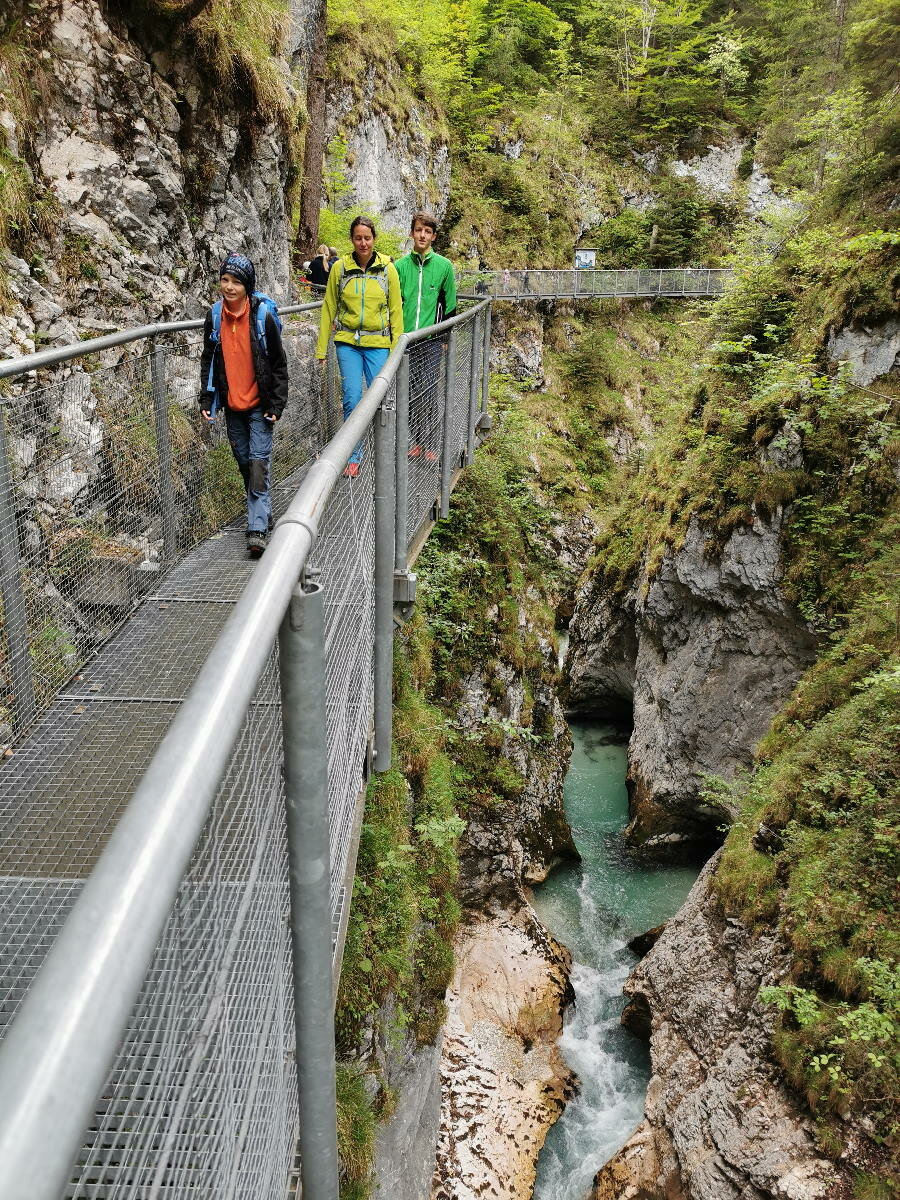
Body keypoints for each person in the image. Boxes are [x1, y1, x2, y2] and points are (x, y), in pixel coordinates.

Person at [199, 252, 288, 558]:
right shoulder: (214, 316)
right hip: (232, 403)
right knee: (245, 463)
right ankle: (263, 512)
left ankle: (257, 530)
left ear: (247, 285)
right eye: (225, 280)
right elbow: (209, 360)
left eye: (236, 281)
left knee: (258, 462)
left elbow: (278, 363)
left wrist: (277, 402)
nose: (229, 287)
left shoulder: (261, 316)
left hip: (259, 404)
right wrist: (207, 397)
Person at [316, 216, 403, 477]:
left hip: (379, 343)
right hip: (348, 344)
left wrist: (398, 350)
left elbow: (396, 311)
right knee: (352, 399)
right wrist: (321, 350)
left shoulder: (388, 270)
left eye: (367, 237)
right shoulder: (340, 269)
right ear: (351, 240)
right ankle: (353, 456)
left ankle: (385, 450)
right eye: (358, 238)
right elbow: (329, 308)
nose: (363, 243)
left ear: (374, 239)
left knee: (382, 400)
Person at [395, 211, 457, 462]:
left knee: (428, 389)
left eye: (427, 231)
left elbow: (449, 305)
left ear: (433, 236)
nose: (422, 235)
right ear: (412, 233)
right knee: (409, 391)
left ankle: (429, 442)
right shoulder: (399, 267)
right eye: (419, 230)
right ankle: (416, 441)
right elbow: (393, 305)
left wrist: (444, 339)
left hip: (431, 341)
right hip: (405, 340)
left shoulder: (444, 266)